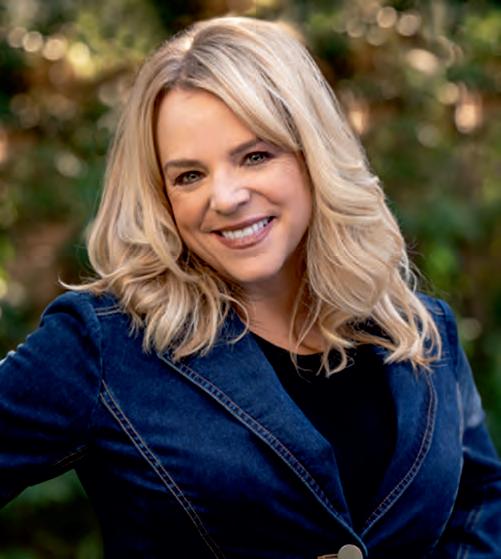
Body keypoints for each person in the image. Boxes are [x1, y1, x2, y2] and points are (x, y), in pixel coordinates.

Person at [1, 15, 500, 559]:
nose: (226, 197)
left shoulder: (422, 331)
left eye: (255, 156)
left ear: (313, 155)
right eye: (189, 176)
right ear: (161, 195)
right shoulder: (105, 344)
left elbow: (478, 508)